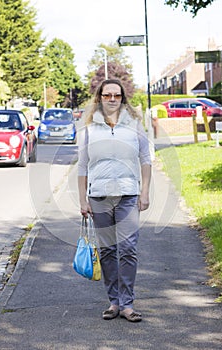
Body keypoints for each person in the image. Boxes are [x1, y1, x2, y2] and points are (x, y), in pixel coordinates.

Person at [78, 79, 152, 322]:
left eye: (117, 95)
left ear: (123, 98)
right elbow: (82, 165)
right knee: (108, 251)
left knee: (128, 250)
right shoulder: (90, 127)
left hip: (128, 195)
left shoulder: (134, 125)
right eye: (107, 95)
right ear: (99, 98)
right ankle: (114, 302)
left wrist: (145, 192)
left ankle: (128, 304)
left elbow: (145, 158)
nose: (112, 99)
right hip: (98, 196)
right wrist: (82, 199)